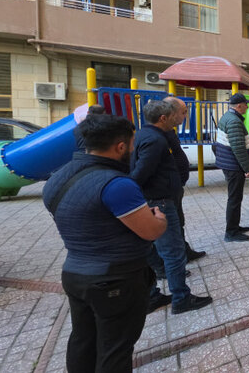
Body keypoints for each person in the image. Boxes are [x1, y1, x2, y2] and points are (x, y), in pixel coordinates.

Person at [43, 114, 166, 373]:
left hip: (75, 273)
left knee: (82, 340)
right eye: (131, 144)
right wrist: (160, 219)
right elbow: (151, 232)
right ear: (120, 146)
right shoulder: (117, 185)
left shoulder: (58, 176)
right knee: (115, 349)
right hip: (115, 279)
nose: (133, 149)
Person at [130, 100, 213, 315]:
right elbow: (140, 173)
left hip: (158, 199)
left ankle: (153, 295)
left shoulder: (144, 135)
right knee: (173, 252)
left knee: (155, 250)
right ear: (163, 118)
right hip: (159, 203)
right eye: (175, 115)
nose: (179, 119)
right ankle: (181, 299)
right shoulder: (154, 140)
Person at [163, 96, 206, 262]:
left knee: (178, 222)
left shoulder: (170, 132)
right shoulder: (157, 136)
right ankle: (173, 261)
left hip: (175, 187)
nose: (185, 116)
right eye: (184, 112)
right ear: (171, 113)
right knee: (171, 226)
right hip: (166, 190)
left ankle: (183, 251)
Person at [215, 93, 249, 242]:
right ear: (239, 106)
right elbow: (238, 148)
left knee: (235, 198)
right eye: (246, 104)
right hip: (234, 166)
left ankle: (234, 226)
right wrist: (247, 168)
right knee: (234, 198)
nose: (247, 106)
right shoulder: (234, 121)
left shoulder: (228, 117)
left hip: (230, 165)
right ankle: (231, 232)